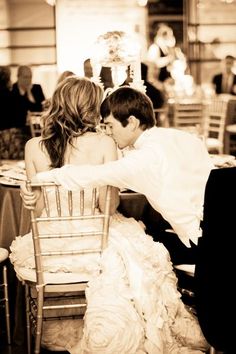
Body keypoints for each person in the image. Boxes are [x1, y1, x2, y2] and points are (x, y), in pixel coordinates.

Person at [12, 77, 208, 353]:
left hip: (51, 247)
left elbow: (40, 209)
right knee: (138, 259)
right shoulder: (105, 143)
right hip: (95, 240)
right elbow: (109, 207)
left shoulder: (34, 146)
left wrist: (30, 194)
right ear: (90, 108)